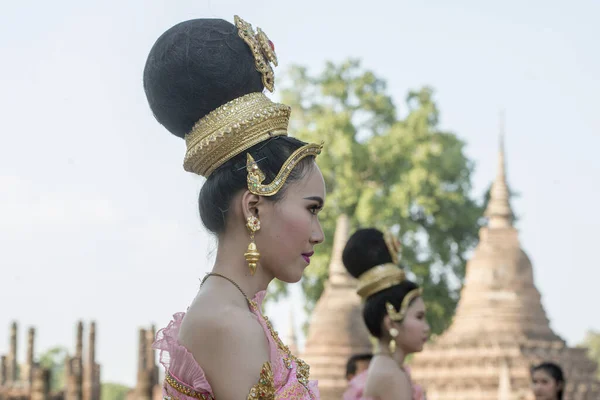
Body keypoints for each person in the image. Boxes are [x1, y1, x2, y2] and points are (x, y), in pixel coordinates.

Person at [143, 15, 326, 399]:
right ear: (254, 208)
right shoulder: (228, 324)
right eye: (311, 209)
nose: (318, 233)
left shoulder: (234, 312)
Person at [342, 228, 429, 400]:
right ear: (391, 323)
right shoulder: (391, 375)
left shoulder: (386, 367)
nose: (427, 327)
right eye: (419, 317)